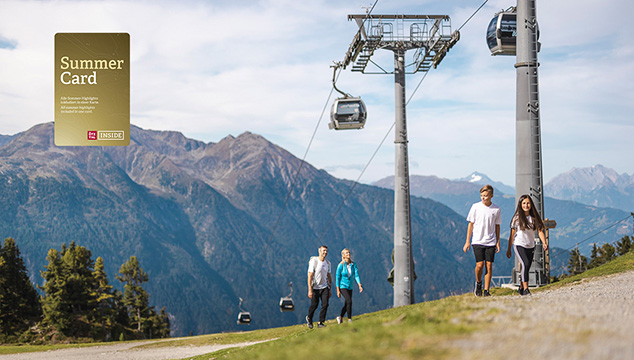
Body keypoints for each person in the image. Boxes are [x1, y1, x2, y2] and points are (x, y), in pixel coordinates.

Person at [463, 184, 501, 297]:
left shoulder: (496, 209)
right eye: (481, 196)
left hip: (491, 241)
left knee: (489, 266)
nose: (483, 198)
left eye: (485, 195)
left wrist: (498, 242)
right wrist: (467, 241)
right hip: (477, 241)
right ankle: (479, 283)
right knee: (480, 265)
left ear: (491, 195)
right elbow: (471, 224)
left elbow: (497, 226)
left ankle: (486, 290)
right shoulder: (475, 207)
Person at [506, 194, 548, 296]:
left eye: (528, 203)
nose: (526, 205)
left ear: (531, 204)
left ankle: (521, 287)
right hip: (519, 244)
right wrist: (509, 248)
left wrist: (544, 243)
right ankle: (526, 289)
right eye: (524, 203)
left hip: (530, 245)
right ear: (520, 205)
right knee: (525, 264)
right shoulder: (516, 218)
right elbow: (512, 234)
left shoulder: (534, 217)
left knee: (527, 266)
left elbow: (540, 231)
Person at [306, 245, 331, 329]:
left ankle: (321, 322)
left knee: (325, 304)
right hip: (315, 288)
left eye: (326, 251)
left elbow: (329, 276)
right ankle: (309, 318)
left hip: (324, 287)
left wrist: (330, 288)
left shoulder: (327, 263)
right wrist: (310, 289)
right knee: (314, 305)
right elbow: (310, 275)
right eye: (323, 251)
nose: (325, 252)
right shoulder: (314, 261)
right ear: (319, 251)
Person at [335, 248, 363, 324]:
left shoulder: (353, 265)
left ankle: (340, 317)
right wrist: (338, 290)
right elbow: (337, 277)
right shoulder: (341, 265)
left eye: (349, 253)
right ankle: (349, 319)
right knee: (349, 301)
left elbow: (356, 275)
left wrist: (359, 284)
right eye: (346, 253)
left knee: (347, 303)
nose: (348, 254)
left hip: (350, 286)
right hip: (342, 286)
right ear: (343, 255)